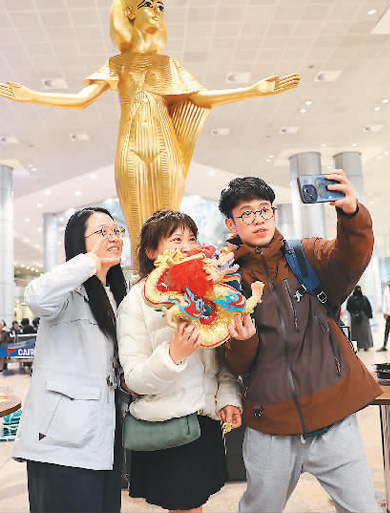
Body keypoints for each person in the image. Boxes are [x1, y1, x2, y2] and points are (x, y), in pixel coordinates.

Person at [0, 0, 300, 262]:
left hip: (164, 146)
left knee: (169, 220)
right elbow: (81, 100)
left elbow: (199, 97)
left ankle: (173, 280)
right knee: (137, 224)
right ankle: (143, 285)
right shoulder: (119, 63)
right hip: (130, 147)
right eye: (148, 5)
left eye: (160, 6)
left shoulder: (167, 64)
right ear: (130, 13)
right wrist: (33, 96)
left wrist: (253, 90)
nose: (157, 10)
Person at [218, 171, 382, 513]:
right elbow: (232, 363)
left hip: (333, 415)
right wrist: (244, 341)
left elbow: (351, 256)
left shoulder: (305, 254)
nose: (258, 219)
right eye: (246, 213)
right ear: (231, 224)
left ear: (274, 213)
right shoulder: (225, 282)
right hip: (270, 424)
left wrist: (351, 214)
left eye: (264, 209)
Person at [116, 209, 242, 512]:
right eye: (176, 239)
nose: (187, 246)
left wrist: (228, 397)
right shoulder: (136, 302)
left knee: (196, 504)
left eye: (192, 238)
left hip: (204, 423)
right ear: (151, 252)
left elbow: (219, 359)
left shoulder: (206, 293)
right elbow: (134, 379)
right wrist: (174, 355)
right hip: (168, 426)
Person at [13, 207, 128, 513]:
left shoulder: (117, 295)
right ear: (79, 242)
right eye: (102, 232)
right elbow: (36, 296)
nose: (113, 237)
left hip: (103, 436)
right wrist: (90, 261)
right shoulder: (66, 292)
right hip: (60, 441)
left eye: (116, 231)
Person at [346, 285, 374, 351]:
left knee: (365, 333)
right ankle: (357, 346)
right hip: (354, 318)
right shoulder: (351, 299)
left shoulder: (364, 298)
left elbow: (368, 307)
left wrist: (368, 315)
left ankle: (366, 346)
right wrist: (354, 313)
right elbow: (348, 307)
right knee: (356, 334)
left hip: (364, 318)